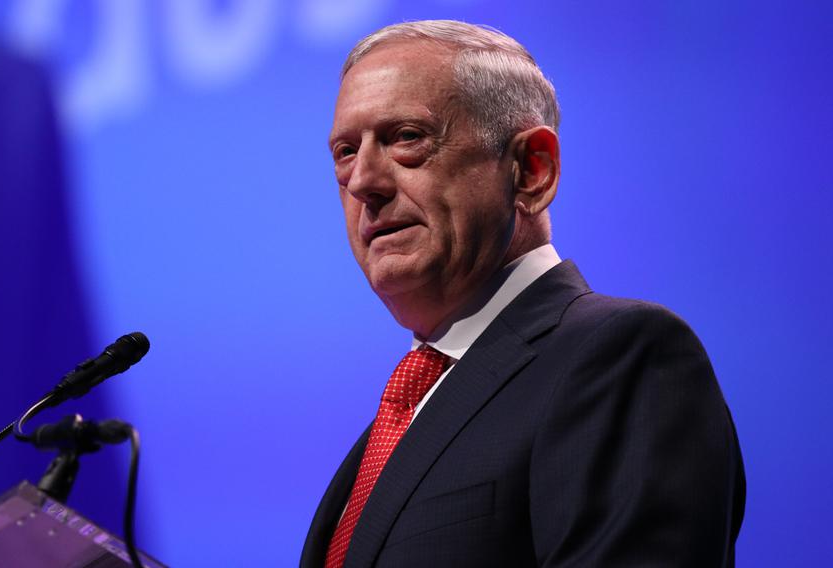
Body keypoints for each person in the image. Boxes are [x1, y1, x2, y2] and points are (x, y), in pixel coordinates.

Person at [301, 20, 745, 568]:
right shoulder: (402, 418)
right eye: (346, 151)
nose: (363, 180)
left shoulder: (621, 358)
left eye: (406, 137)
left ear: (532, 170)